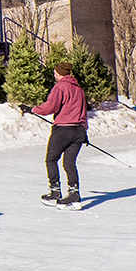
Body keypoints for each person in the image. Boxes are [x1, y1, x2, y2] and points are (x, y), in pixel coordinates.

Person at [31, 61, 88, 210]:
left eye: (55, 72)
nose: (54, 74)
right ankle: (74, 194)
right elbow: (83, 112)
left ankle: (55, 192)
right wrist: (84, 131)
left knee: (51, 159)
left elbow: (51, 107)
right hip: (78, 130)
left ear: (59, 73)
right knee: (69, 163)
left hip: (63, 130)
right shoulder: (79, 89)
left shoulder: (60, 87)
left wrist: (34, 109)